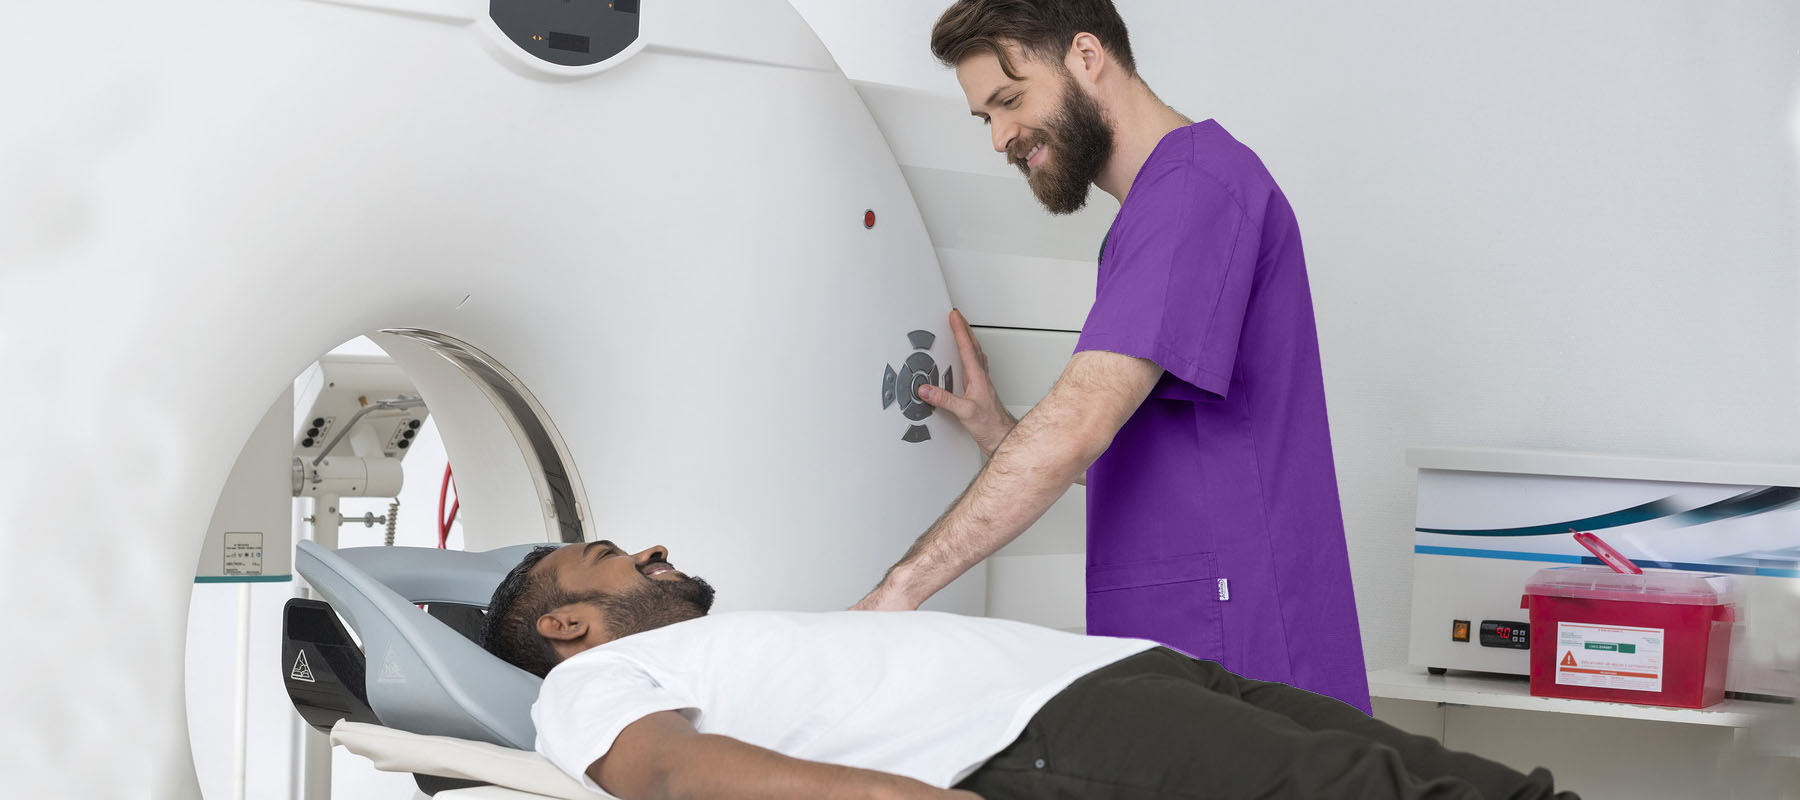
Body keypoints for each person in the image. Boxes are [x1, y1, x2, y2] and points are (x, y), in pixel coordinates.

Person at [850, 0, 1371, 713]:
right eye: (985, 118)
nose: (1000, 137)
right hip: (1195, 636)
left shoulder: (1193, 192)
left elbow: (1079, 422)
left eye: (1009, 100)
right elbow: (1167, 463)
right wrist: (1000, 432)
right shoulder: (1163, 205)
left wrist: (900, 589)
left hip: (1235, 645)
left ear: (1087, 58)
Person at [480, 541, 1579, 800]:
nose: (656, 549)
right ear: (569, 621)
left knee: (1428, 766)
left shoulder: (716, 637)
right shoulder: (579, 688)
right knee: (1353, 787)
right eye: (621, 554)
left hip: (1125, 671)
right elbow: (670, 770)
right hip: (1033, 736)